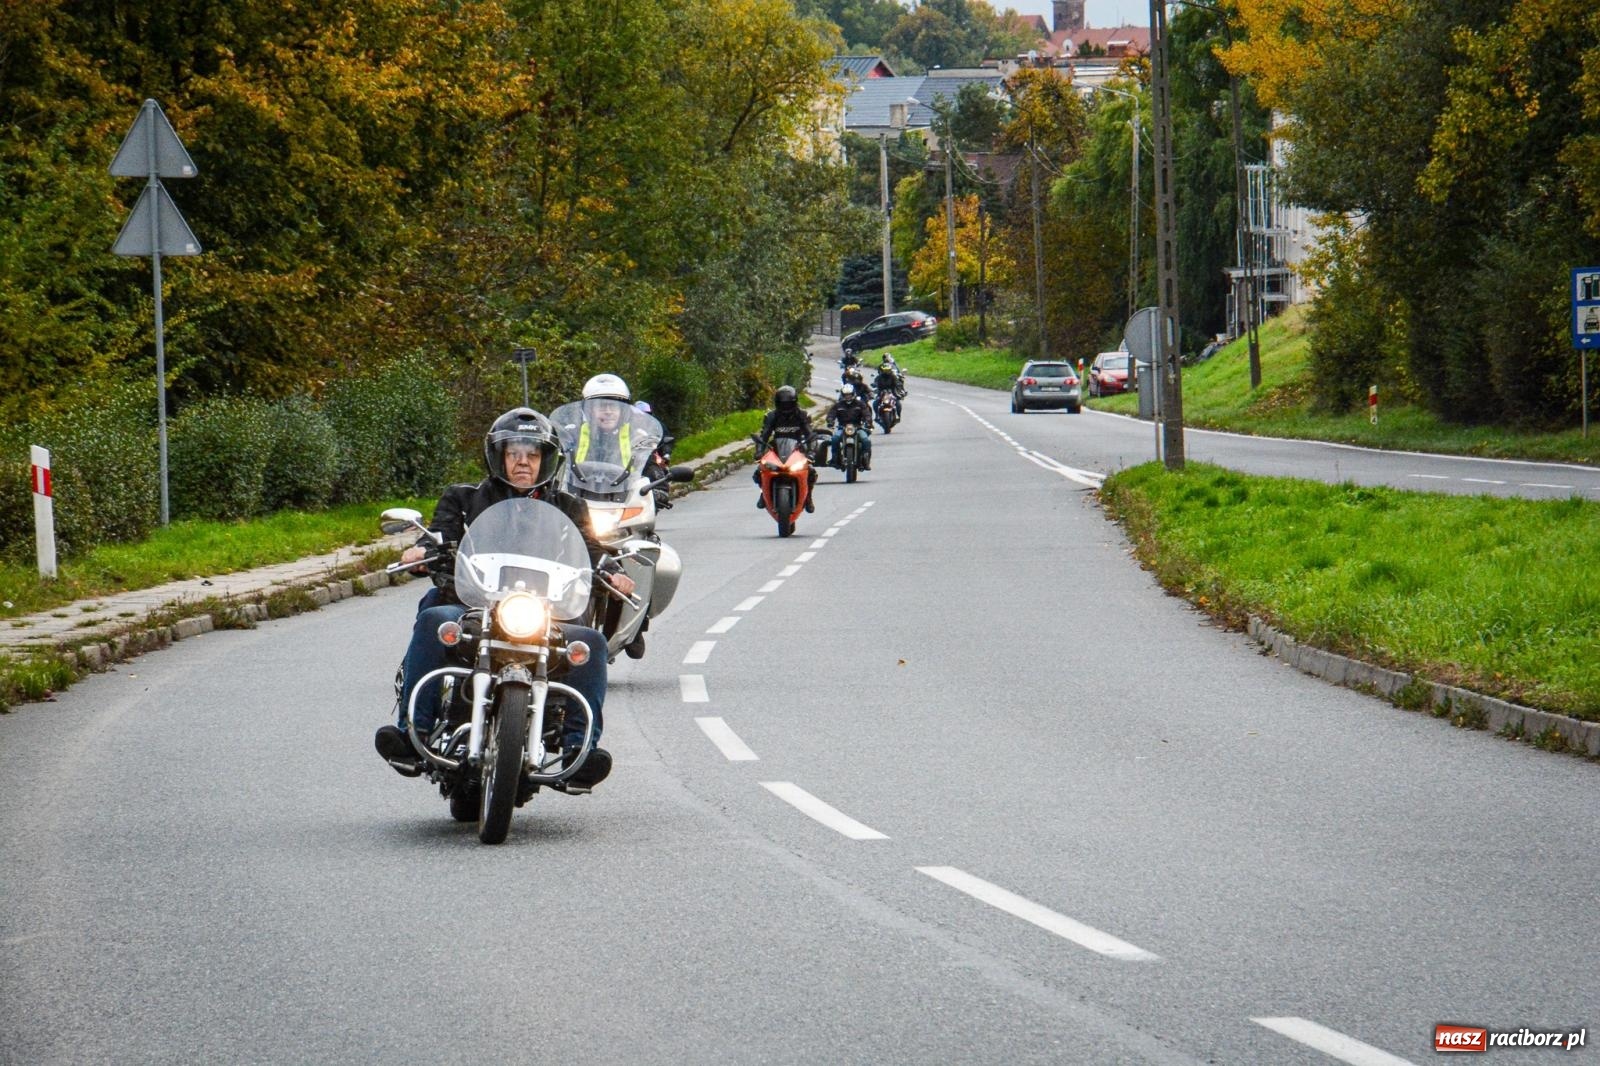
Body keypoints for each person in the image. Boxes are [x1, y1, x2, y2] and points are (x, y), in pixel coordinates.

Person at [373, 407, 636, 789]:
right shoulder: (464, 498)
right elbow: (441, 534)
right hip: (474, 606)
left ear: (546, 459)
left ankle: (581, 749)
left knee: (592, 643)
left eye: (532, 454)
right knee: (434, 618)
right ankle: (413, 733)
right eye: (514, 453)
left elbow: (591, 549)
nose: (523, 463)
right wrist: (421, 550)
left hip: (545, 612)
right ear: (499, 456)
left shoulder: (568, 507)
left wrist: (613, 571)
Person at [752, 385, 816, 512]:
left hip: (797, 449)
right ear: (777, 403)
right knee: (759, 471)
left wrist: (812, 451)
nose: (786, 407)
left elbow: (810, 435)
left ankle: (808, 497)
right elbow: (764, 435)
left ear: (794, 403)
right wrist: (759, 451)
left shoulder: (802, 415)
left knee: (811, 472)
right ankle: (763, 493)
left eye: (788, 404)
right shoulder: (771, 416)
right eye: (783, 404)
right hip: (776, 450)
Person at [572, 373, 633, 467]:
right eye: (602, 406)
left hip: (628, 482)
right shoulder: (573, 435)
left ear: (623, 410)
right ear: (590, 410)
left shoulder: (635, 436)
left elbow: (644, 461)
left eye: (613, 406)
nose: (608, 412)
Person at [825, 387, 873, 471]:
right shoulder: (838, 405)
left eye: (849, 395)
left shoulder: (860, 404)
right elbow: (831, 414)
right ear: (843, 395)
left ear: (853, 394)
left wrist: (868, 421)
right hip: (842, 427)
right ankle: (834, 459)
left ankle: (866, 460)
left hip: (857, 427)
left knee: (866, 440)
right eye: (846, 395)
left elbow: (866, 413)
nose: (848, 397)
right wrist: (830, 421)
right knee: (835, 439)